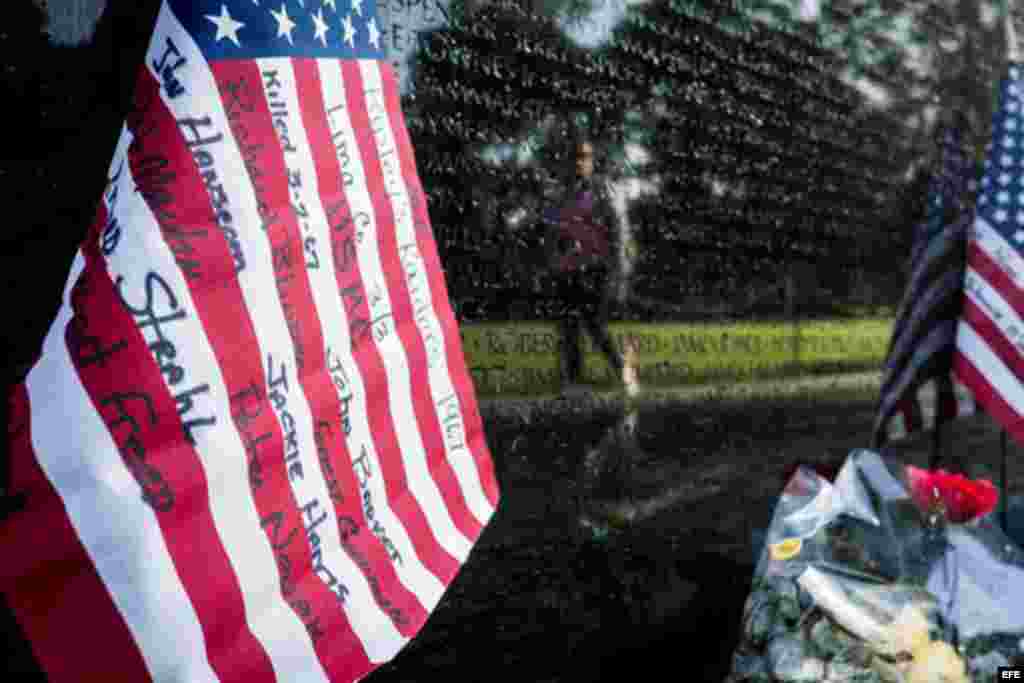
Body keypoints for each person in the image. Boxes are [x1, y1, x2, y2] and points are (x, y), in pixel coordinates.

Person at [544, 127, 629, 396]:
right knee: (567, 326)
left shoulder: (603, 191)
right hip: (567, 269)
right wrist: (551, 263)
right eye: (575, 157)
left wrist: (618, 271)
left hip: (595, 269)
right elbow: (551, 232)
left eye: (585, 157)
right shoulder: (559, 193)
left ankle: (623, 371)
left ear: (592, 161)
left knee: (593, 324)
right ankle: (574, 381)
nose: (580, 162)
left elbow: (616, 232)